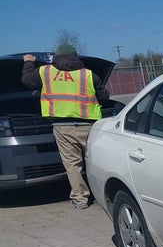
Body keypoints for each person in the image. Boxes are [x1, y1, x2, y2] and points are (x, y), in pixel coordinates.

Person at [21, 44, 109, 209]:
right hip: (90, 125)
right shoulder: (88, 74)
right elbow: (104, 98)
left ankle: (80, 199)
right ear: (75, 57)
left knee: (72, 164)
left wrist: (28, 62)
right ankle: (106, 194)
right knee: (97, 160)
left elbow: (27, 80)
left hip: (63, 126)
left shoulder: (45, 72)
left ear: (56, 56)